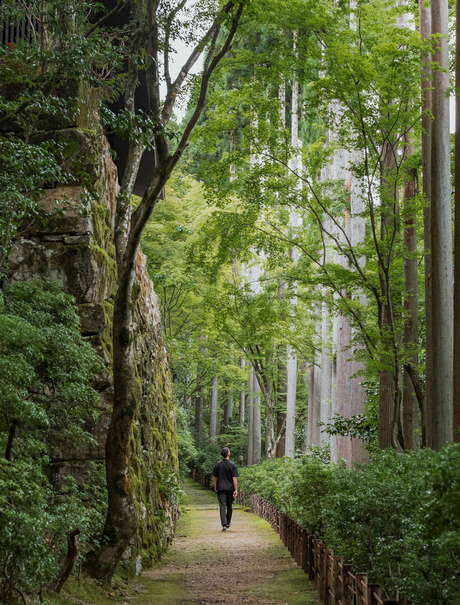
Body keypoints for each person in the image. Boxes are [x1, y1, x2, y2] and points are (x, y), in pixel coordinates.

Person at [212, 446, 238, 532]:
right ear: (228, 454)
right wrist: (236, 489)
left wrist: (215, 486)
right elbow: (234, 478)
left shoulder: (218, 464)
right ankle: (227, 522)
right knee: (229, 506)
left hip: (221, 487)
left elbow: (215, 477)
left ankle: (223, 525)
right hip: (230, 488)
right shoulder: (232, 464)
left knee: (222, 506)